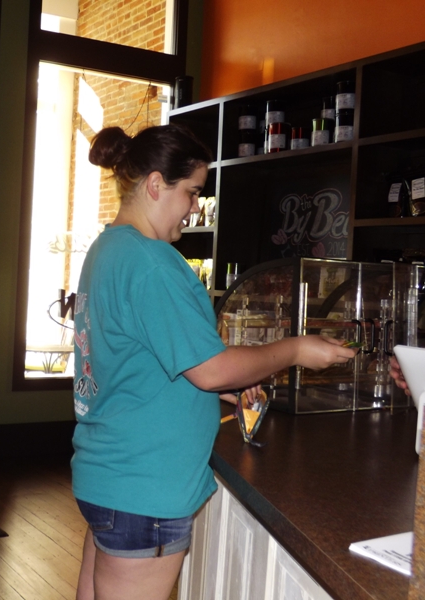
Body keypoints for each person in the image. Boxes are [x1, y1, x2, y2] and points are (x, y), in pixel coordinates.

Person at [71, 124, 358, 600]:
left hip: (110, 473)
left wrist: (209, 388)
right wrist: (295, 350)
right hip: (145, 484)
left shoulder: (110, 248)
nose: (195, 207)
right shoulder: (152, 263)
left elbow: (132, 357)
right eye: (191, 192)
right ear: (155, 184)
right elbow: (211, 368)